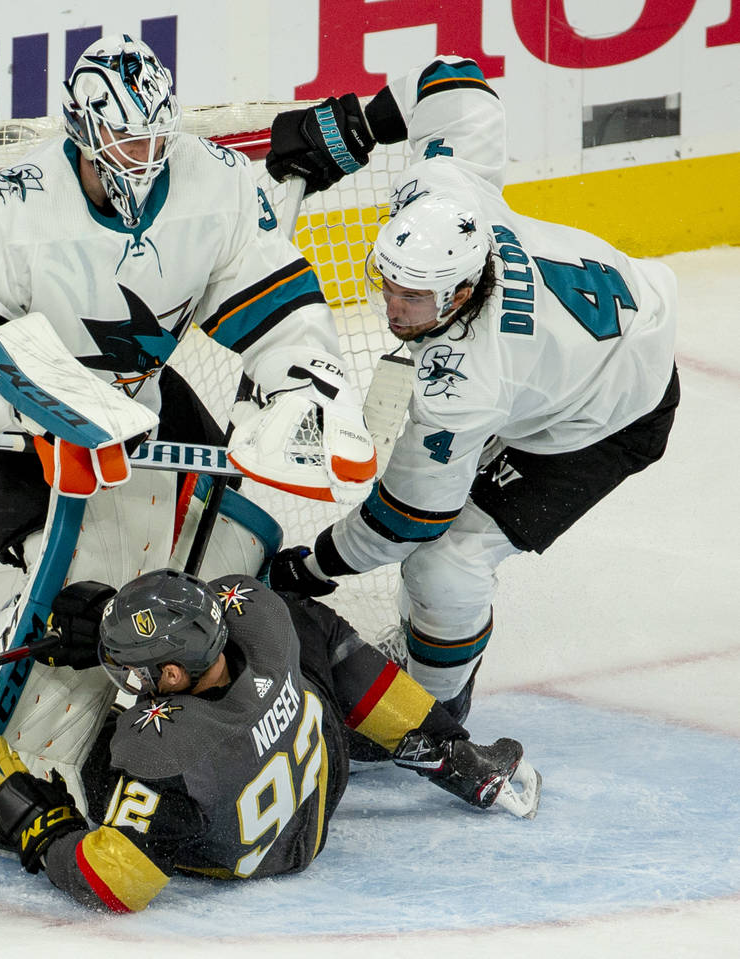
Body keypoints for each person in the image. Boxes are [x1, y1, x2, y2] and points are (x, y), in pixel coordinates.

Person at [0, 35, 379, 825]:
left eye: (155, 134)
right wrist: (36, 408)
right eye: (125, 138)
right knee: (76, 606)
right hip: (13, 429)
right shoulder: (10, 207)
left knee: (231, 552)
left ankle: (171, 737)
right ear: (84, 132)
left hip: (141, 400)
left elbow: (275, 298)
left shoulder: (213, 179)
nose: (145, 154)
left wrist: (301, 383)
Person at [262, 55, 679, 723]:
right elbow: (454, 80)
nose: (393, 310)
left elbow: (406, 521)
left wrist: (307, 569)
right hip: (601, 329)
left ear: (459, 292)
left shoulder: (466, 381)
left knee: (445, 564)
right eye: (387, 283)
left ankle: (428, 705)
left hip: (613, 413)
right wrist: (354, 129)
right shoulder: (443, 199)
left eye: (413, 299)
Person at [0, 569, 540, 913]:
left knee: (103, 766)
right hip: (320, 773)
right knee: (316, 631)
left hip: (254, 853)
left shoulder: (162, 751)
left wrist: (43, 828)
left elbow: (118, 884)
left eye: (133, 671)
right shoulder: (257, 615)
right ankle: (448, 751)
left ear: (172, 677)